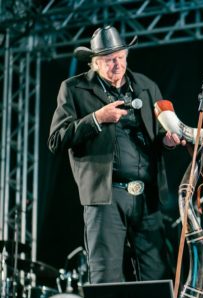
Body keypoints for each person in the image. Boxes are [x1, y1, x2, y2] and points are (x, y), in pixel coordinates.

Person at [48, 25, 185, 283]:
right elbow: (56, 139)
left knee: (156, 275)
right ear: (95, 63)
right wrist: (97, 119)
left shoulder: (145, 86)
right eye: (110, 60)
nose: (117, 64)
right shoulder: (74, 89)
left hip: (147, 196)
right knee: (106, 275)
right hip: (106, 196)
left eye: (121, 57)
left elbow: (158, 137)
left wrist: (167, 141)